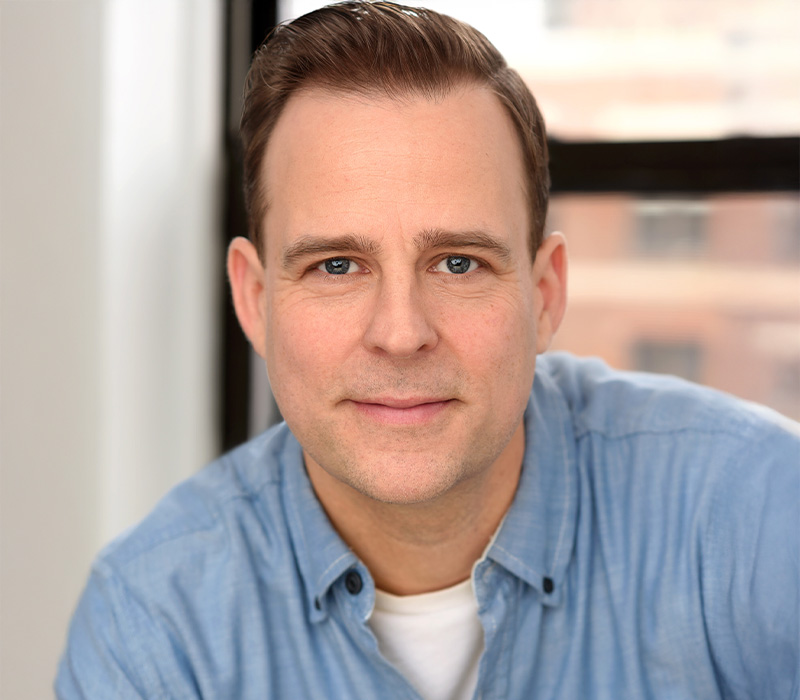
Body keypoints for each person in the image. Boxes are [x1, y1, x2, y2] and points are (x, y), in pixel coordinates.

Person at [56, 2, 799, 698]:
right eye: (337, 266)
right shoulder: (153, 626)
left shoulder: (756, 513)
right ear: (255, 301)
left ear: (544, 295)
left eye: (458, 263)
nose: (401, 333)